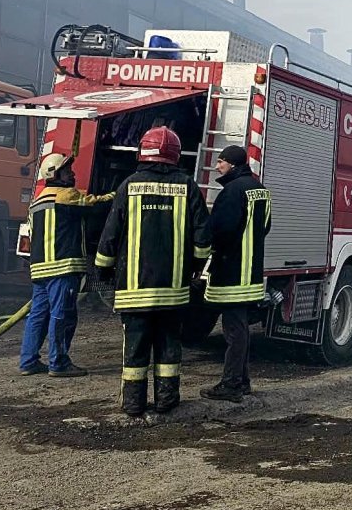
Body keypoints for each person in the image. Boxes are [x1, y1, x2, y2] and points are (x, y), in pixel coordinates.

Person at [94, 127, 210, 417]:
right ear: (175, 154)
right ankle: (166, 401)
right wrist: (195, 268)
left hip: (134, 290)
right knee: (169, 346)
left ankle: (133, 403)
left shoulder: (129, 186)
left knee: (135, 347)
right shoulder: (188, 186)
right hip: (174, 290)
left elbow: (110, 234)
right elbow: (203, 237)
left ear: (142, 152)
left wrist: (103, 269)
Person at [18, 153, 114, 378]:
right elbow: (97, 205)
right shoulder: (66, 195)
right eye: (67, 171)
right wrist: (120, 193)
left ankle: (28, 360)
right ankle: (59, 362)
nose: (72, 174)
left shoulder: (37, 201)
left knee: (38, 315)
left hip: (40, 269)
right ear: (55, 175)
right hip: (62, 268)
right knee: (63, 314)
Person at [201, 145, 272, 403]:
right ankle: (242, 381)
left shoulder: (231, 192)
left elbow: (221, 230)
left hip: (231, 272)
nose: (218, 166)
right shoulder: (260, 190)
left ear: (231, 164)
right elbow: (265, 227)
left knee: (233, 330)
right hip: (251, 272)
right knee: (239, 327)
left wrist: (204, 253)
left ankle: (231, 384)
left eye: (220, 162)